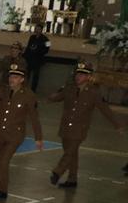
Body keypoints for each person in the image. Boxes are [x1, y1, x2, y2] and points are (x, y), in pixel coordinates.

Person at [47, 60, 124, 188]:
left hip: (79, 129)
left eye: (82, 74)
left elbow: (105, 110)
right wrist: (52, 96)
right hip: (65, 127)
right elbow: (56, 97)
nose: (78, 76)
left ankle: (57, 172)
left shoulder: (94, 93)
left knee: (69, 153)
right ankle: (72, 180)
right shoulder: (69, 88)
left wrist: (117, 124)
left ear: (89, 77)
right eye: (78, 74)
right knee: (72, 153)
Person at [0, 60, 43, 201]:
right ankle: (3, 191)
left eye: (15, 77)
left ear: (22, 79)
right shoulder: (3, 90)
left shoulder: (28, 95)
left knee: (4, 161)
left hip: (15, 135)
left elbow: (35, 118)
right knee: (1, 163)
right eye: (10, 76)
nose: (12, 79)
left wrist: (38, 137)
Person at [23, 23, 50, 91]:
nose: (37, 30)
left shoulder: (46, 39)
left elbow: (47, 49)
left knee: (35, 75)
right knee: (27, 74)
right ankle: (24, 87)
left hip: (38, 59)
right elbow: (28, 47)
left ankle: (33, 90)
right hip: (30, 58)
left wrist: (39, 52)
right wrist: (25, 55)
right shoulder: (32, 37)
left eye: (38, 29)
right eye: (36, 29)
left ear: (41, 30)